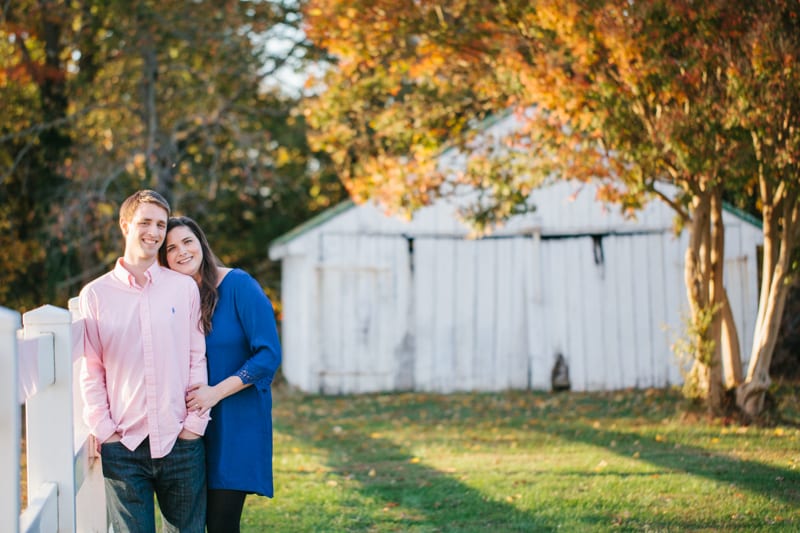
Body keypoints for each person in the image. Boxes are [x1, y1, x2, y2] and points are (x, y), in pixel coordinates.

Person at [77, 190, 209, 532]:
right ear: (125, 225)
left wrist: (194, 426)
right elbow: (92, 370)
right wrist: (105, 432)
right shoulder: (95, 294)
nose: (154, 231)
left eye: (161, 225)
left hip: (180, 441)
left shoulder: (183, 288)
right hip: (124, 444)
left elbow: (197, 357)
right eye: (145, 222)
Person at [159, 216, 282, 533]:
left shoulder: (238, 284)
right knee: (188, 522)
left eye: (187, 241)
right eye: (171, 248)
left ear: (201, 242)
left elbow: (268, 354)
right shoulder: (172, 300)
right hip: (188, 428)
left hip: (235, 422)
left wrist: (215, 392)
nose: (182, 252)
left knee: (222, 524)